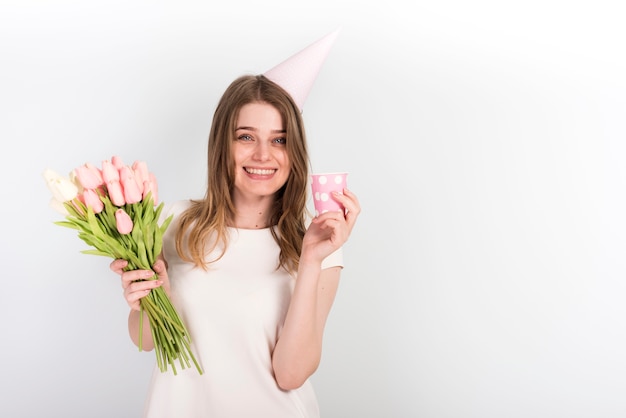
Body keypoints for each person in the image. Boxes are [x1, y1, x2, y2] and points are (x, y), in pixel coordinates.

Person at [109, 30, 360, 417]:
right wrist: (142, 300)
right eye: (246, 136)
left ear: (294, 152)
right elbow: (147, 340)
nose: (263, 154)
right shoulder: (171, 223)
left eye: (279, 140)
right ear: (221, 144)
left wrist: (310, 260)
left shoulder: (320, 243)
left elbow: (291, 374)